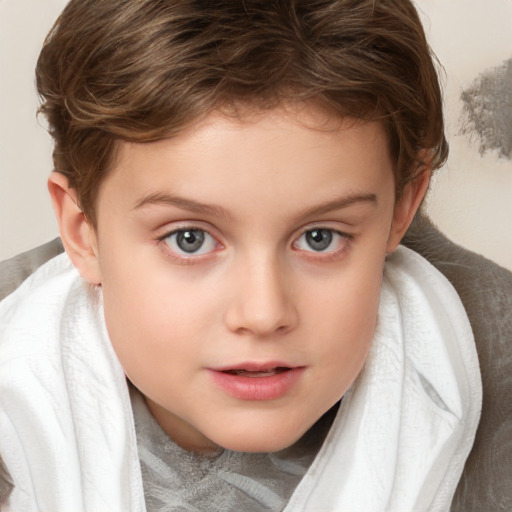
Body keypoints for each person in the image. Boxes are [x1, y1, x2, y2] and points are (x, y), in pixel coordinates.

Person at [0, 1, 482, 511]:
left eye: (320, 237)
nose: (263, 313)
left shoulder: (496, 366)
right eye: (190, 239)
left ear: (401, 209)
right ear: (83, 231)